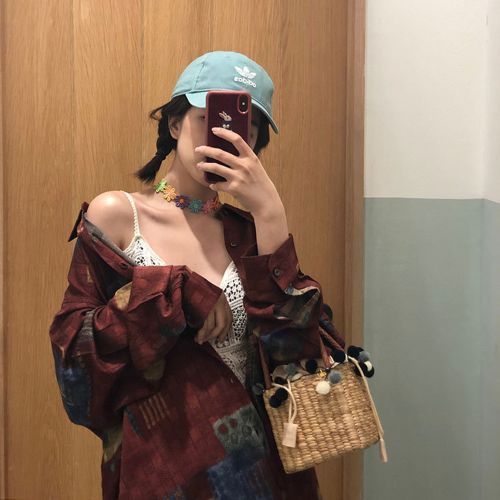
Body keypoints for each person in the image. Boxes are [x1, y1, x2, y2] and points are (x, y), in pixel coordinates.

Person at [49, 50, 345, 499]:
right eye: (210, 119)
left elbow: (296, 362)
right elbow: (75, 364)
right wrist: (175, 290)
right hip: (162, 474)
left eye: (245, 127)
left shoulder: (251, 234)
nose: (224, 136)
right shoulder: (118, 216)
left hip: (266, 478)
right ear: (174, 124)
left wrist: (270, 213)